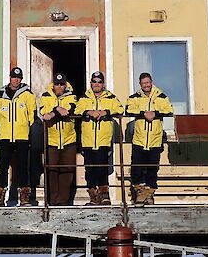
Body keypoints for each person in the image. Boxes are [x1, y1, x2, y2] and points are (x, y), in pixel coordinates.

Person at [74, 71, 124, 205]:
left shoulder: (111, 98)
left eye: (99, 82)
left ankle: (104, 195)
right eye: (94, 81)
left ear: (103, 84)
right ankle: (93, 197)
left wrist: (105, 112)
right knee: (89, 169)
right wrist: (88, 112)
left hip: (103, 140)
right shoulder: (84, 98)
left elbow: (120, 109)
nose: (96, 84)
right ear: (91, 83)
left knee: (102, 168)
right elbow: (76, 111)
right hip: (88, 140)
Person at [126, 72, 174, 206]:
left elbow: (169, 109)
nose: (146, 85)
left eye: (148, 82)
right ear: (140, 84)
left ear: (151, 82)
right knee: (137, 169)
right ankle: (138, 196)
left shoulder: (161, 96)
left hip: (155, 140)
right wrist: (143, 114)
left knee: (152, 170)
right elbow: (129, 109)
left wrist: (155, 113)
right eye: (143, 83)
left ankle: (149, 196)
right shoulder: (134, 97)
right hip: (139, 140)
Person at [0, 67, 36, 207]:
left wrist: (23, 128)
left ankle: (24, 197)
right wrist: (5, 129)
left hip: (22, 136)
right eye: (13, 77)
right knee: (3, 167)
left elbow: (32, 116)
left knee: (22, 167)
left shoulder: (28, 95)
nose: (16, 80)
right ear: (9, 78)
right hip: (5, 137)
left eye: (18, 78)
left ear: (21, 79)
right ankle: (0, 197)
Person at [39, 73, 78, 206]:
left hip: (68, 139)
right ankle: (52, 201)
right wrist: (56, 109)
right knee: (51, 171)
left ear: (65, 85)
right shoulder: (45, 96)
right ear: (53, 85)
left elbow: (70, 109)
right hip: (52, 140)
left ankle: (63, 201)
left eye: (62, 84)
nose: (59, 87)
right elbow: (44, 112)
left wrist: (54, 112)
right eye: (57, 84)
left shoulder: (72, 96)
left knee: (67, 171)